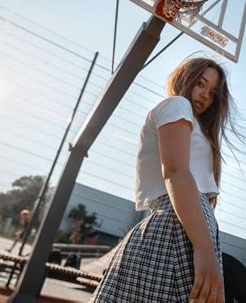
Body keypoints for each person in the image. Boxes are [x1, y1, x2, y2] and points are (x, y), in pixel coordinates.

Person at [91, 57, 237, 302]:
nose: (205, 95)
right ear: (185, 78)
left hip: (189, 227)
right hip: (175, 228)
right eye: (201, 84)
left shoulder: (197, 125)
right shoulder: (177, 105)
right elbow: (176, 172)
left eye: (212, 93)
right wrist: (205, 250)